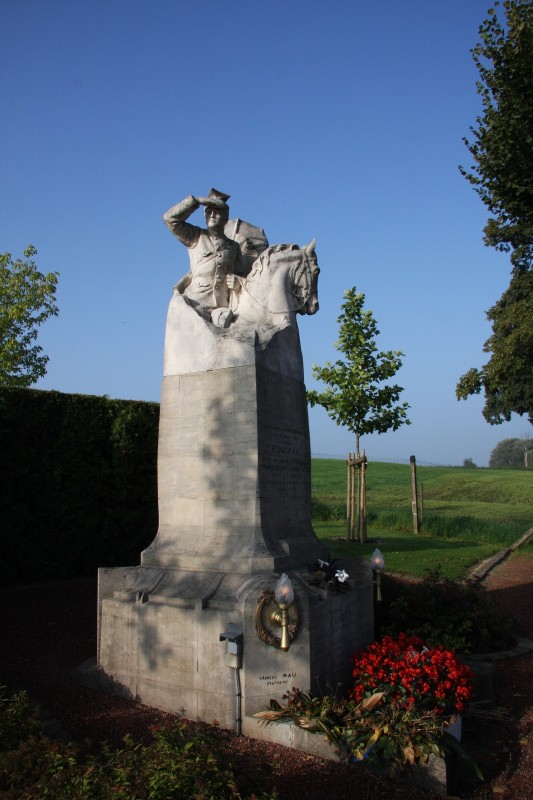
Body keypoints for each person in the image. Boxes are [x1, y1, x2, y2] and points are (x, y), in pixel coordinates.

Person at [163, 189, 244, 327]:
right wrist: (196, 201)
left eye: (217, 212)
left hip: (222, 309)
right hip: (196, 304)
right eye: (208, 212)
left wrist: (238, 282)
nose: (212, 215)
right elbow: (170, 219)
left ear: (225, 218)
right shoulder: (195, 236)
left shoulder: (234, 247)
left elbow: (241, 273)